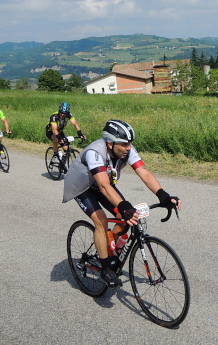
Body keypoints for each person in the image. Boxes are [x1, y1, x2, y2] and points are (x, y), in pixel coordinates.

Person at [62, 120, 181, 288]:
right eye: (124, 144)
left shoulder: (126, 150)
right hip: (82, 187)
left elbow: (143, 172)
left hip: (103, 185)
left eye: (130, 143)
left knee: (126, 217)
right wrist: (123, 206)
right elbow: (103, 185)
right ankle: (105, 268)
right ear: (110, 143)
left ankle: (109, 245)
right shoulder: (95, 153)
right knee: (102, 221)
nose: (128, 147)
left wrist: (163, 195)